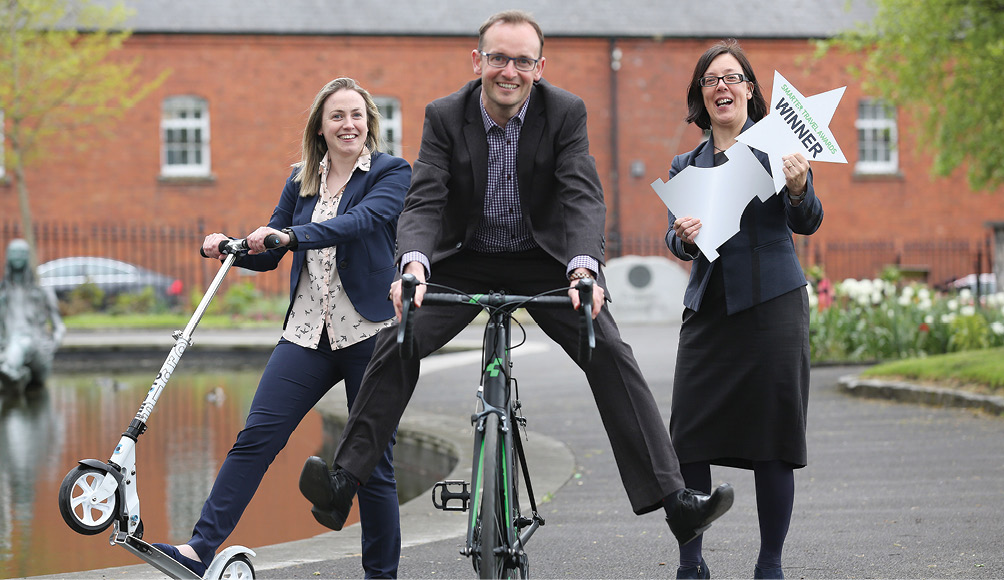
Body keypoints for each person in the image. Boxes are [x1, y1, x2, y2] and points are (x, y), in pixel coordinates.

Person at [297, 9, 735, 562]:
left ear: (539, 66)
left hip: (544, 261)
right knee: (399, 336)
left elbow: (581, 193)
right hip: (463, 260)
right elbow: (427, 197)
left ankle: (675, 503)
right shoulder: (444, 115)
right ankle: (342, 486)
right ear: (477, 61)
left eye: (523, 61)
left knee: (607, 348)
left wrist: (583, 269)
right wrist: (412, 266)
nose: (510, 70)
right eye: (499, 58)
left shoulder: (564, 112)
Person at [152, 77, 411, 579]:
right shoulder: (301, 180)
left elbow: (360, 222)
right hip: (306, 334)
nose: (348, 124)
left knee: (374, 465)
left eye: (356, 115)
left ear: (369, 123)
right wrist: (231, 246)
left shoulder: (390, 172)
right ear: (320, 126)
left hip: (368, 335)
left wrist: (291, 235)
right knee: (255, 439)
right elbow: (274, 251)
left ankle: (381, 576)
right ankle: (198, 550)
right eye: (336, 116)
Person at [665, 39, 824, 580]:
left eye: (732, 78)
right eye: (711, 80)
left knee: (774, 440)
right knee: (687, 437)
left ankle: (770, 564)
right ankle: (693, 562)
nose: (722, 87)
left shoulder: (778, 148)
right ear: (701, 95)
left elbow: (807, 221)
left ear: (751, 91)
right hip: (709, 312)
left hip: (773, 310)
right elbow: (677, 237)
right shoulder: (686, 162)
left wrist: (800, 187)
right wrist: (682, 238)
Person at [0, 238, 65, 394]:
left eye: (22, 253)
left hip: (37, 352)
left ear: (28, 257)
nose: (18, 257)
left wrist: (54, 343)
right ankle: (12, 371)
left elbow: (59, 327)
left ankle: (7, 369)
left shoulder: (42, 292)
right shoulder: (2, 294)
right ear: (8, 256)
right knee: (16, 343)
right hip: (8, 348)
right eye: (14, 253)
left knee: (23, 341)